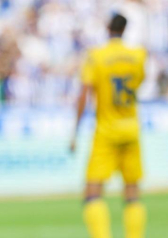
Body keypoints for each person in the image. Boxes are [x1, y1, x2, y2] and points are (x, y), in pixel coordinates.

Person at [71, 14, 147, 238]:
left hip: (106, 130)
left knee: (92, 192)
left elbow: (84, 94)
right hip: (132, 128)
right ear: (125, 29)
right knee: (132, 193)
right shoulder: (138, 55)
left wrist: (75, 131)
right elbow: (139, 82)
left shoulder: (96, 57)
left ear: (107, 28)